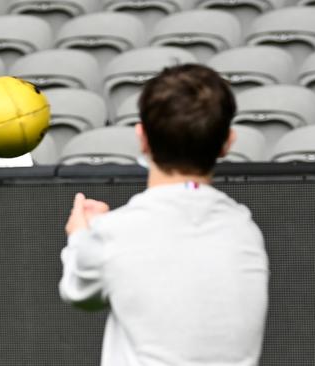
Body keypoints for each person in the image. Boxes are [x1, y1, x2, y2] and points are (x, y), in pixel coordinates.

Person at [60, 64, 269, 366]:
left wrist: (81, 234)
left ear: (142, 138)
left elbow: (78, 292)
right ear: (228, 143)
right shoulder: (245, 229)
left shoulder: (112, 233)